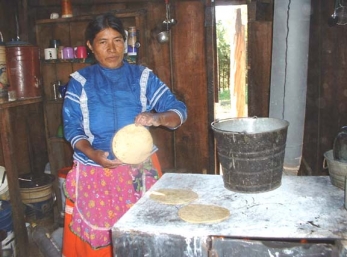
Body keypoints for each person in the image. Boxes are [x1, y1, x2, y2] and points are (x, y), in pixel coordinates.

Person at [61, 13, 187, 257]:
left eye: (117, 40)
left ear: (125, 41)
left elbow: (179, 110)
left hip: (139, 172)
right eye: (102, 42)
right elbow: (72, 128)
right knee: (101, 245)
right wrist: (93, 153)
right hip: (95, 172)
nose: (111, 49)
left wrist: (156, 118)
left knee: (143, 238)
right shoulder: (80, 82)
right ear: (90, 46)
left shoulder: (142, 77)